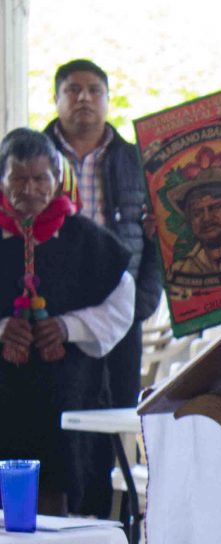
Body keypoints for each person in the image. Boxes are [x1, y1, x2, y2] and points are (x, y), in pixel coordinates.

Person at [45, 59, 161, 515]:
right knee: (56, 421)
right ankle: (59, 517)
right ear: (56, 100)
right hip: (53, 316)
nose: (84, 99)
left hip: (121, 311)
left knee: (112, 418)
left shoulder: (137, 160)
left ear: (108, 100)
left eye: (94, 90)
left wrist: (143, 301)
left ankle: (109, 526)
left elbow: (159, 238)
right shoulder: (34, 158)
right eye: (72, 90)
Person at [0, 128, 134, 515]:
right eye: (19, 179)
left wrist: (67, 327)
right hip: (6, 394)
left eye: (40, 178)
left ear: (57, 178)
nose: (30, 190)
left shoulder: (87, 238)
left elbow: (120, 305)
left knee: (63, 485)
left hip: (70, 389)